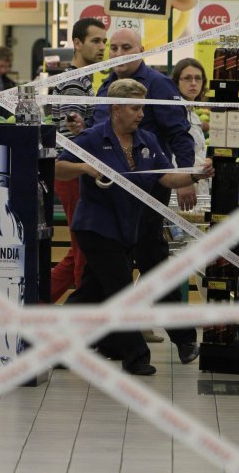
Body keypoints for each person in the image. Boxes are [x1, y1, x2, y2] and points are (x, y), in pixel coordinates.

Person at [56, 78, 214, 375]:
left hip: (129, 227)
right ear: (116, 108)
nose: (140, 113)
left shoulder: (147, 141)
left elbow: (166, 178)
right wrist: (85, 168)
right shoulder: (92, 138)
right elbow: (58, 168)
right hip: (97, 228)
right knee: (120, 289)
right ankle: (136, 357)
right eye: (134, 107)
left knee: (90, 292)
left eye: (142, 107)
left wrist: (194, 175)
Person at [91, 29, 199, 363]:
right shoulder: (105, 87)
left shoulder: (159, 85)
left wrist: (185, 178)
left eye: (127, 47)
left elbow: (179, 134)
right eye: (114, 47)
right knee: (106, 269)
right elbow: (97, 135)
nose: (119, 52)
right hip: (109, 195)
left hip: (148, 191)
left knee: (152, 262)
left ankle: (184, 339)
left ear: (141, 49)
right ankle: (110, 342)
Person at [49, 17, 108, 303]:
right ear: (77, 43)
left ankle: (32, 300)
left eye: (104, 42)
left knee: (77, 251)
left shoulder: (80, 80)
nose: (102, 47)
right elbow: (74, 129)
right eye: (95, 41)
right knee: (83, 250)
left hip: (76, 171)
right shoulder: (73, 82)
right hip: (74, 172)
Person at [172, 58, 210, 196]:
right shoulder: (174, 111)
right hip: (181, 184)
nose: (193, 83)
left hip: (197, 181)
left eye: (198, 78)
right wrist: (184, 181)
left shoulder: (192, 111)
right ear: (176, 82)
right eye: (187, 78)